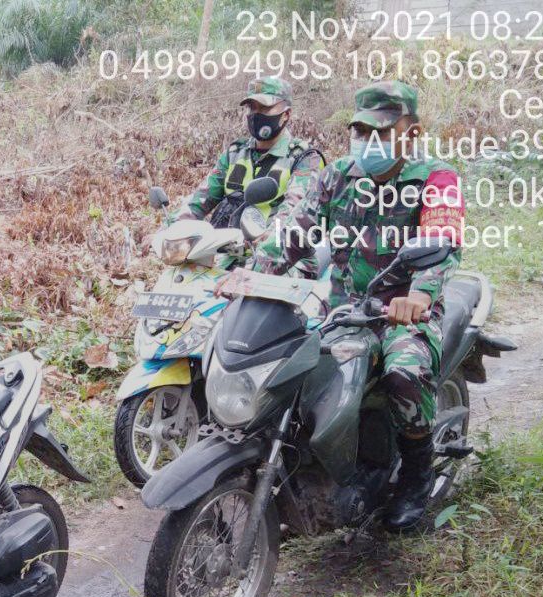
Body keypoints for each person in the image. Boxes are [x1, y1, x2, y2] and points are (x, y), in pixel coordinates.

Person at [247, 80, 465, 531]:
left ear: (412, 132)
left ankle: (416, 476)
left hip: (404, 313)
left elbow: (442, 241)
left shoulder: (436, 178)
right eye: (362, 131)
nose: (369, 143)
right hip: (344, 310)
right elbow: (296, 230)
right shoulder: (339, 174)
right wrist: (250, 273)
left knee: (403, 375)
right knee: (287, 370)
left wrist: (419, 295)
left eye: (382, 132)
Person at [168, 76, 323, 230]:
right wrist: (168, 231)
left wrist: (266, 242)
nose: (256, 114)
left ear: (286, 114)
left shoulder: (304, 158)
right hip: (223, 246)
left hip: (272, 250)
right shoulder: (235, 153)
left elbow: (294, 214)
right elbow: (199, 200)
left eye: (264, 108)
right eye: (252, 107)